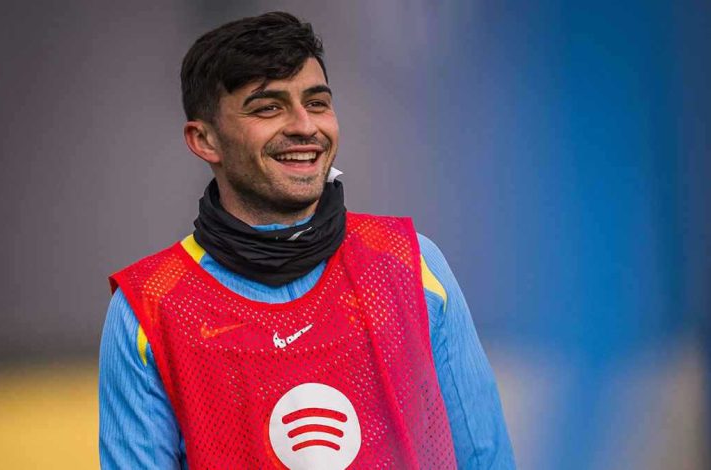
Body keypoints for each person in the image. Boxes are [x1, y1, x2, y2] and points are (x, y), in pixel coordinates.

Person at [99, 11, 515, 470]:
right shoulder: (148, 308)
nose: (304, 126)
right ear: (205, 140)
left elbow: (486, 458)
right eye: (268, 107)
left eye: (316, 103)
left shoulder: (411, 264)